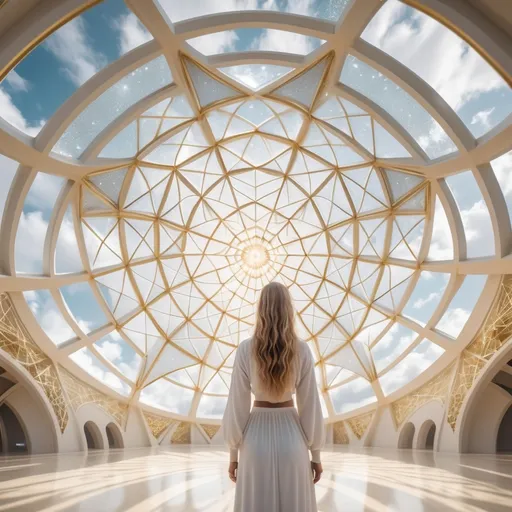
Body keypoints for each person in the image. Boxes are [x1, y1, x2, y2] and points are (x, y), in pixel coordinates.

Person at [222, 282, 325, 512]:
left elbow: (237, 404)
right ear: (289, 309)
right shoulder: (302, 350)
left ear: (260, 309)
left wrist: (233, 453)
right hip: (293, 440)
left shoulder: (245, 349)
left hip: (254, 440)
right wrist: (315, 454)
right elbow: (310, 404)